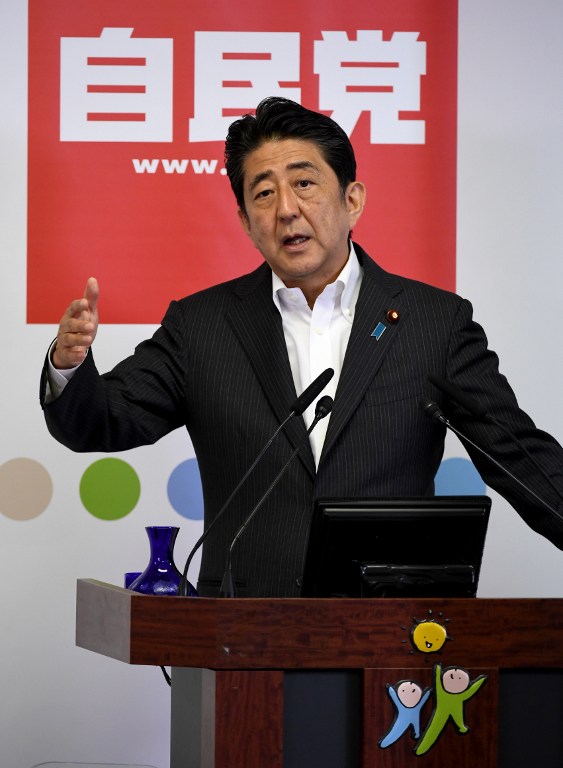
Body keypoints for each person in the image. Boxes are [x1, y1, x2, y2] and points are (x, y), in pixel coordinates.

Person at [41, 97, 563, 598]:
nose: (287, 210)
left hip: (390, 624)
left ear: (352, 200)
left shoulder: (434, 323)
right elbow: (100, 421)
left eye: (304, 183)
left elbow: (519, 458)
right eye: (264, 194)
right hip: (242, 631)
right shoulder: (201, 326)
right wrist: (69, 364)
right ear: (246, 221)